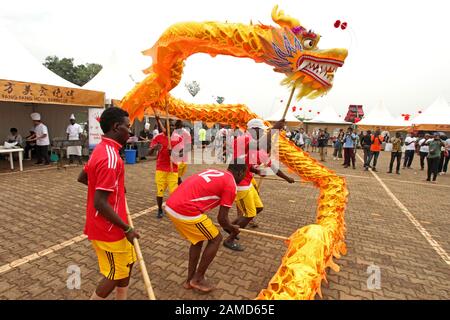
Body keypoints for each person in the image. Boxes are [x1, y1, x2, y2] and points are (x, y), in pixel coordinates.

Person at [77, 107, 140, 300]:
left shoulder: (101, 149)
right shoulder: (110, 157)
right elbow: (99, 203)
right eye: (127, 127)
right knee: (114, 274)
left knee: (127, 264)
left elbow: (83, 177)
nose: (130, 132)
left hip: (114, 223)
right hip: (108, 227)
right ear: (115, 127)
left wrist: (115, 187)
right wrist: (127, 228)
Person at [165, 163, 247, 292]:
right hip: (185, 210)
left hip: (171, 205)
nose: (243, 178)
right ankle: (197, 279)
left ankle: (189, 280)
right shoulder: (231, 185)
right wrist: (232, 229)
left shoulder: (216, 171)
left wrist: (229, 227)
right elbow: (222, 219)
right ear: (240, 173)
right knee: (216, 238)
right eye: (244, 175)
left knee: (197, 240)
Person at [226, 118, 295, 251]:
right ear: (252, 130)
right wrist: (274, 128)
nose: (262, 135)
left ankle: (230, 227)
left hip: (247, 181)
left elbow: (273, 167)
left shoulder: (257, 147)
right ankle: (230, 239)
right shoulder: (243, 139)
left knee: (258, 208)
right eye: (260, 131)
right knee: (249, 214)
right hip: (239, 183)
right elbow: (259, 146)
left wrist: (286, 178)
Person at [149, 114, 182, 218]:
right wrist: (154, 148)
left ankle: (175, 209)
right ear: (165, 126)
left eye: (172, 126)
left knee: (174, 192)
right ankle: (159, 209)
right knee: (160, 191)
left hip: (173, 169)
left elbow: (182, 154)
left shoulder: (179, 138)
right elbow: (149, 153)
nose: (171, 128)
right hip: (161, 168)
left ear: (175, 127)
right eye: (169, 125)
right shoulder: (158, 137)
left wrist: (174, 152)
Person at [173, 120, 192, 185]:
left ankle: (179, 185)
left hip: (181, 156)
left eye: (175, 126)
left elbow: (189, 146)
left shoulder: (184, 133)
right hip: (179, 156)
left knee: (177, 174)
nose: (174, 128)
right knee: (177, 174)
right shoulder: (175, 132)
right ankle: (179, 184)